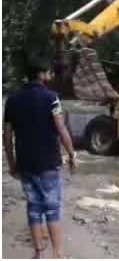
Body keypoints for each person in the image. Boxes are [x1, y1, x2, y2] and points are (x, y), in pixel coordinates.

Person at [4, 57, 78, 259]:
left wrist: (12, 163)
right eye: (49, 73)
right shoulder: (51, 98)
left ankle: (38, 253)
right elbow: (61, 129)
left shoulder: (12, 100)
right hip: (48, 163)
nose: (51, 76)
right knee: (52, 207)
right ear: (43, 74)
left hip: (25, 164)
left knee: (34, 207)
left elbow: (7, 135)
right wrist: (71, 154)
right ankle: (58, 254)